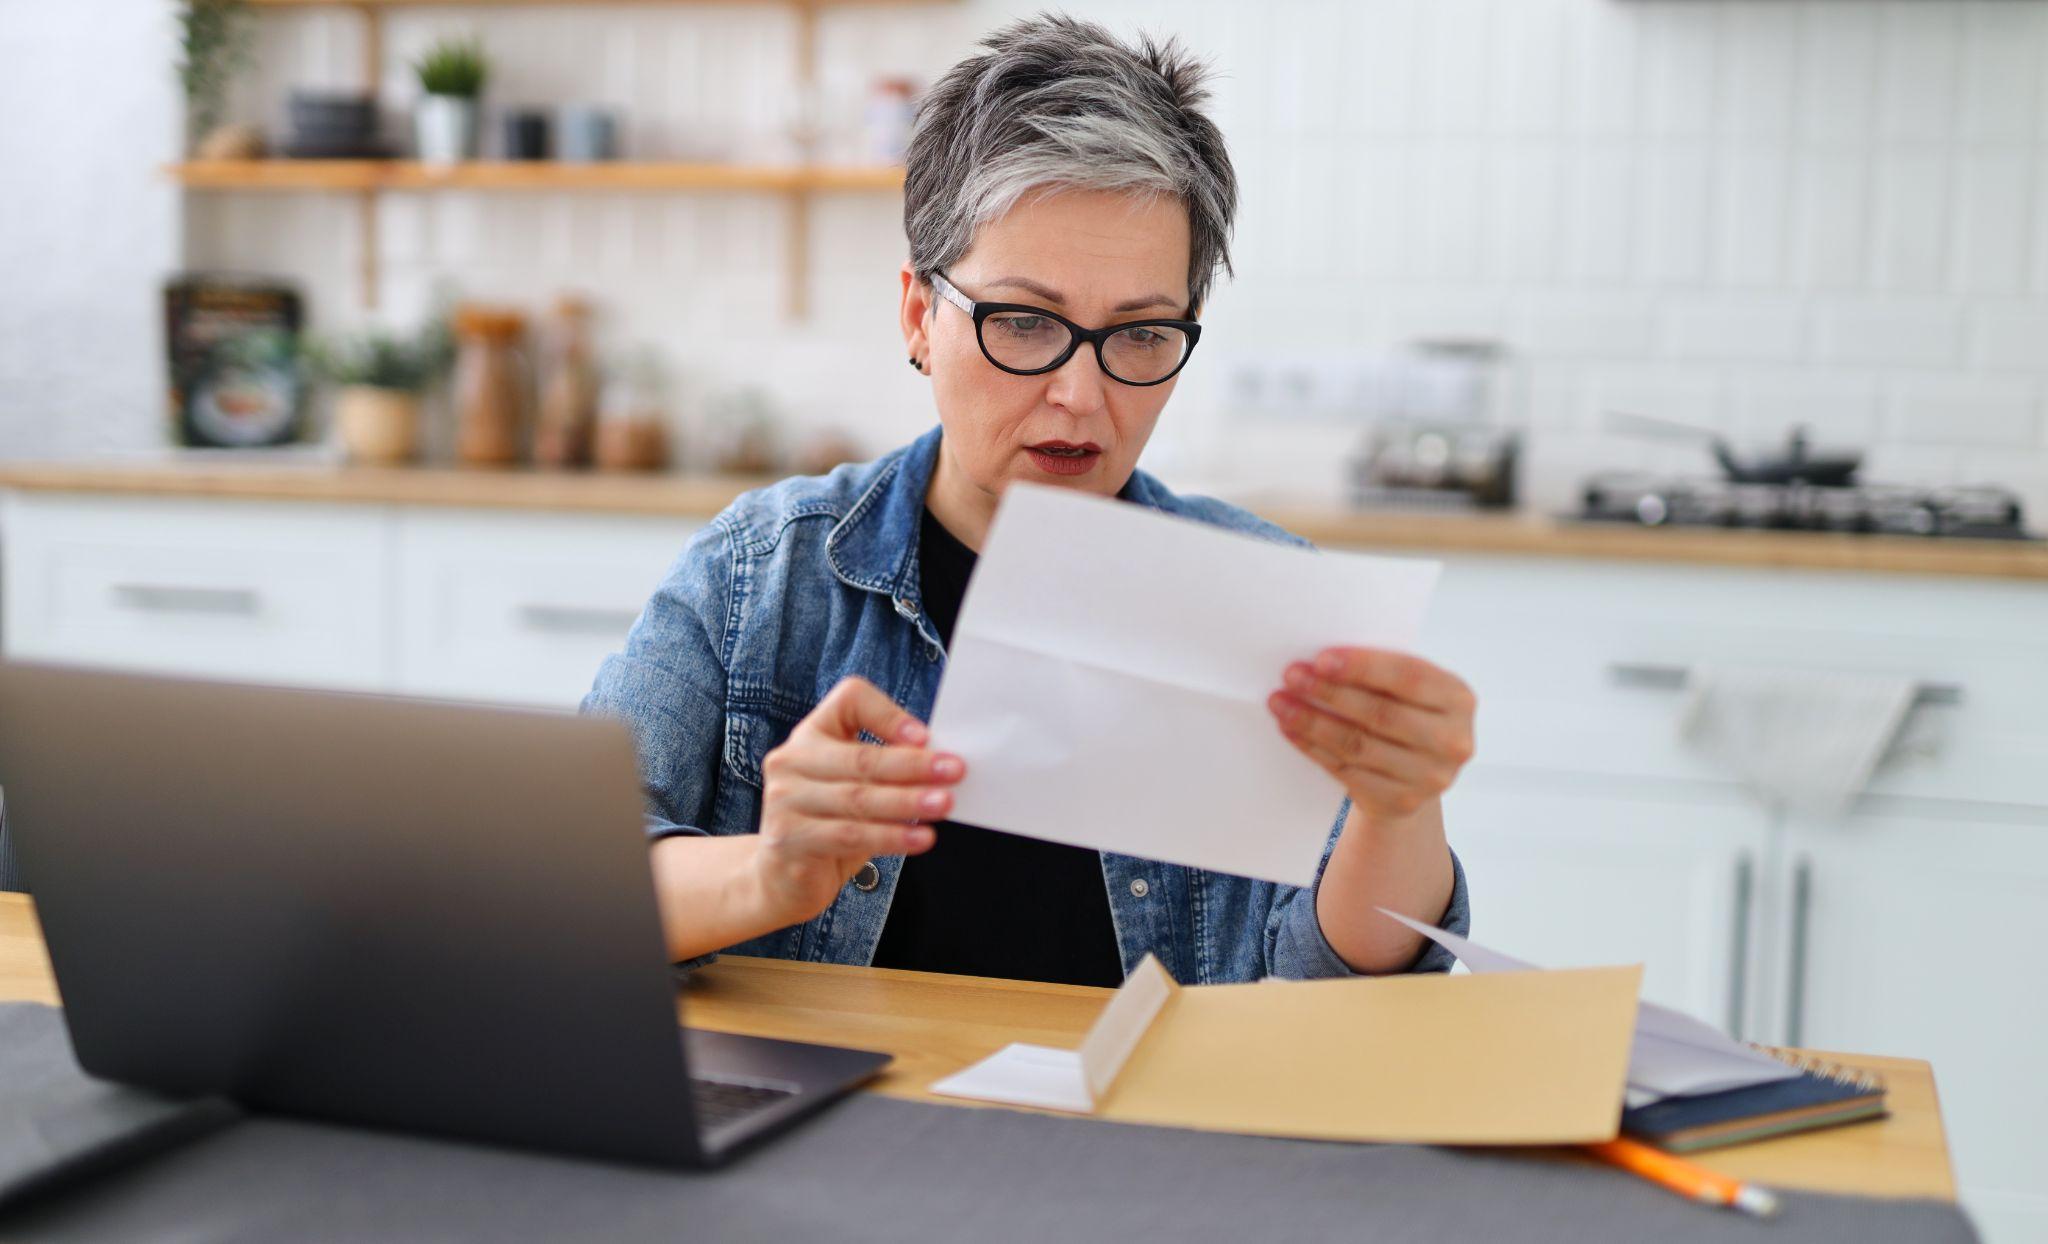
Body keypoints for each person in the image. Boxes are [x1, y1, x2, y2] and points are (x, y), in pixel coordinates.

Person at [584, 14, 1473, 987]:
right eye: (1022, 320)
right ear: (919, 315)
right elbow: (565, 884)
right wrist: (767, 872)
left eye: (1139, 335)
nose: (1080, 396)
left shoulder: (1268, 607)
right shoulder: (762, 574)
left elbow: (1328, 1000)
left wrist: (1401, 805)